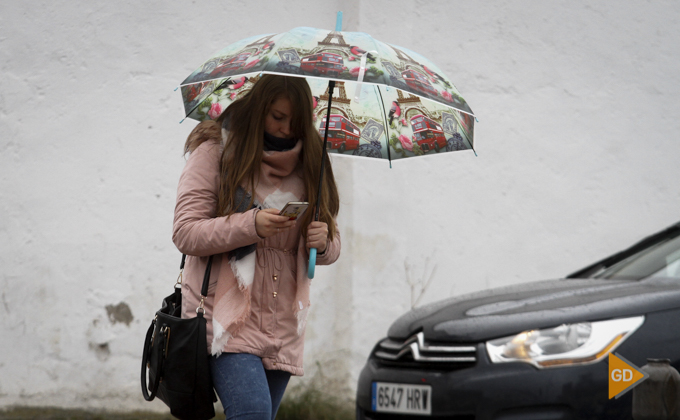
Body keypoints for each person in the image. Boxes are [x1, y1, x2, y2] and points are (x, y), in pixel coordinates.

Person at [172, 74, 341, 420]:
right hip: (225, 321)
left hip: (282, 326)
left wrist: (323, 244)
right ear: (258, 109)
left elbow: (331, 241)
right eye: (277, 117)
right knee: (252, 413)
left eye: (295, 121)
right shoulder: (216, 151)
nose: (285, 129)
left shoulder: (313, 162)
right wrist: (251, 224)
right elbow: (186, 232)